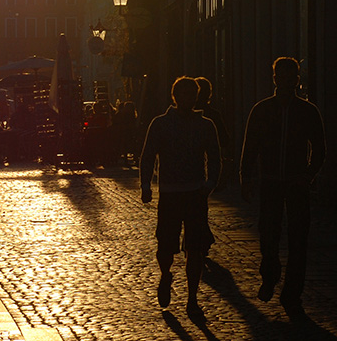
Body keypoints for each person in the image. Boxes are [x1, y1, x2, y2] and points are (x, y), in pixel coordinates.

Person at [240, 57, 326, 320]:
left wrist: (308, 175)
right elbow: (250, 146)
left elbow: (319, 149)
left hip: (296, 183)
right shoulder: (262, 110)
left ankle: (292, 294)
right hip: (270, 182)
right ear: (274, 78)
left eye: (291, 77)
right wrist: (246, 178)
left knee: (299, 239)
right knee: (268, 234)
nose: (286, 81)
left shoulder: (308, 111)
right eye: (281, 76)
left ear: (297, 80)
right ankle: (270, 274)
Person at [139, 77, 221, 320]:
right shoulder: (160, 124)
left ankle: (192, 299)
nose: (187, 99)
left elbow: (215, 157)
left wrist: (210, 184)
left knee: (195, 249)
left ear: (197, 97)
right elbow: (148, 156)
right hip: (170, 194)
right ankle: (166, 274)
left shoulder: (206, 125)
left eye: (191, 94)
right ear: (174, 96)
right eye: (182, 94)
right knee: (165, 244)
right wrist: (145, 185)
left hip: (195, 194)